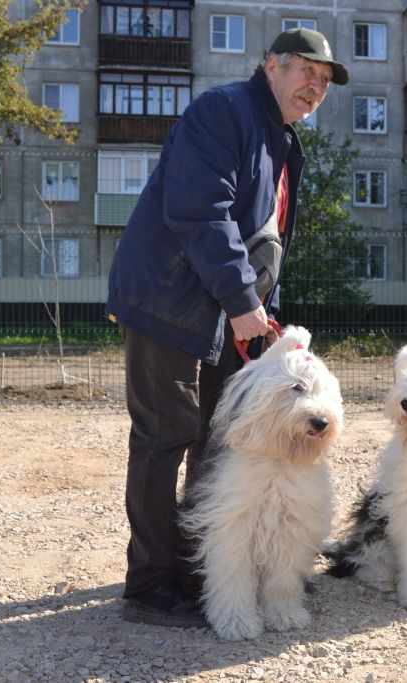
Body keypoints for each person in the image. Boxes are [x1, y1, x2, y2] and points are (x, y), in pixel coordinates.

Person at [105, 28, 349, 626]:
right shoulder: (225, 112)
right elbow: (199, 210)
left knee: (218, 437)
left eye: (323, 81)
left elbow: (265, 237)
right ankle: (150, 586)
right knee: (166, 436)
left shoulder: (280, 139)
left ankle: (200, 568)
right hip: (169, 298)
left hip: (221, 307)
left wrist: (262, 310)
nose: (315, 87)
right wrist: (243, 299)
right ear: (272, 66)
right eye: (305, 73)